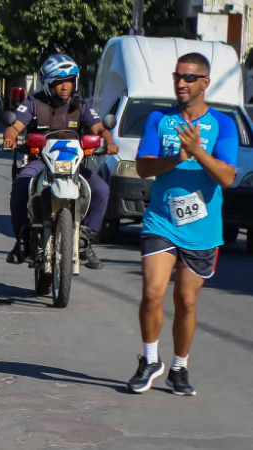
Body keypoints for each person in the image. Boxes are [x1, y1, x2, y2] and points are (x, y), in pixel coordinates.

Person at [127, 53, 237, 396]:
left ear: (205, 82)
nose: (181, 83)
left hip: (202, 229)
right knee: (152, 292)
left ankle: (179, 367)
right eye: (178, 76)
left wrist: (198, 152)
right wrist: (177, 157)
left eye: (189, 77)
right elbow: (143, 168)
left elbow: (228, 176)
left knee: (186, 301)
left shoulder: (223, 124)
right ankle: (149, 360)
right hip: (161, 221)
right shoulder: (159, 119)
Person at [3, 54, 118, 270]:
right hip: (41, 162)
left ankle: (86, 239)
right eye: (58, 82)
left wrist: (109, 142)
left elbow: (100, 129)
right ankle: (21, 241)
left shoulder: (82, 106)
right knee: (20, 185)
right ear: (47, 84)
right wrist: (9, 136)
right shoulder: (33, 103)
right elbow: (15, 125)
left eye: (69, 81)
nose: (65, 87)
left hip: (74, 165)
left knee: (101, 190)